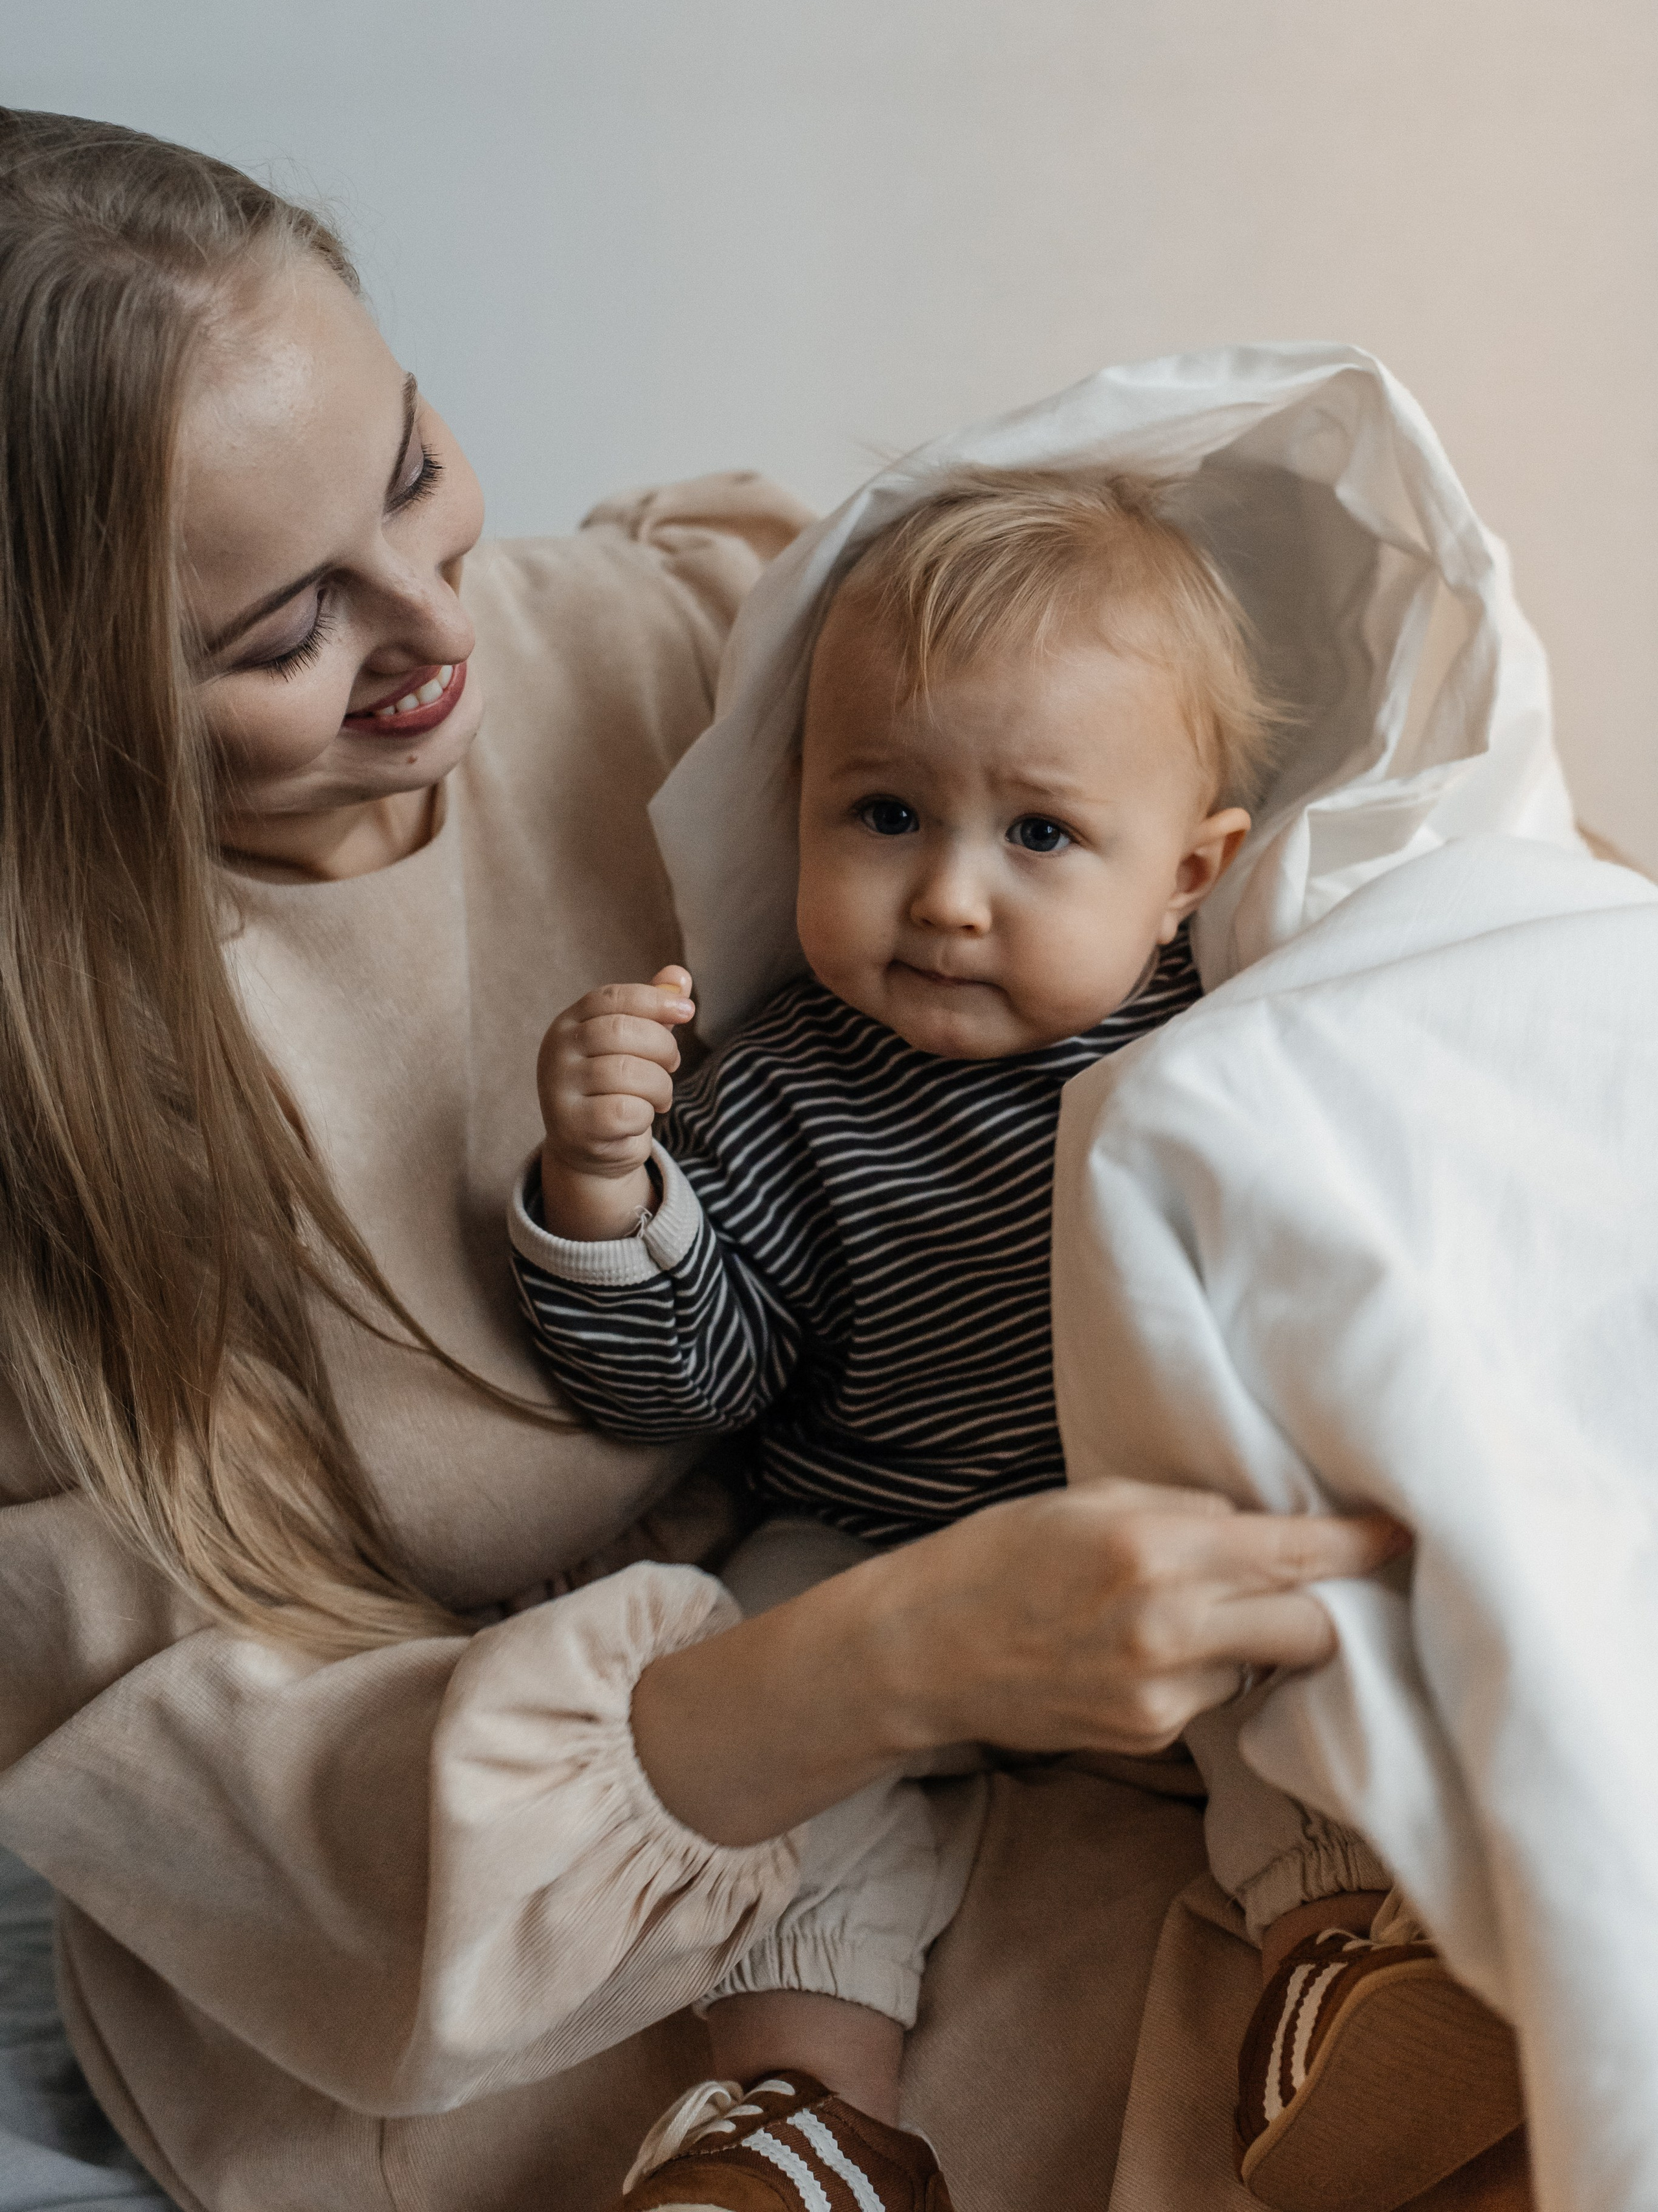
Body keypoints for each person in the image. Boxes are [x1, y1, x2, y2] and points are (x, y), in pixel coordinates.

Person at [0, 108, 1404, 2212]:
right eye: (282, 634)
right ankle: (788, 2133)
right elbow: (229, 1812)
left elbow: (1230, 801)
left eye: (411, 469)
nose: (428, 623)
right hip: (508, 1901)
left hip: (1058, 1637)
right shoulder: (68, 1116)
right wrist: (896, 1650)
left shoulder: (728, 648)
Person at [514, 471, 1518, 2212]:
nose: (952, 897)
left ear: (1189, 871)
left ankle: (1345, 1972)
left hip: (1160, 1525)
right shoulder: (776, 1088)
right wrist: (609, 1192)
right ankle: (800, 2119)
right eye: (886, 814)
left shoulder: (1227, 1048)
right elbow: (692, 1380)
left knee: (1330, 1639)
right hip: (875, 1538)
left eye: (1041, 836)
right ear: (797, 811)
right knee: (753, 1712)